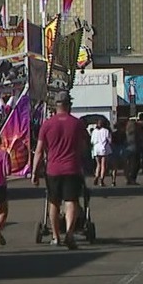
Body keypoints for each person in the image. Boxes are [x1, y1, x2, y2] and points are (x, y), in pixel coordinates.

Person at [31, 91, 86, 250]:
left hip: (53, 169)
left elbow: (39, 150)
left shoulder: (47, 124)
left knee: (53, 202)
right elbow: (82, 148)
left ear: (56, 106)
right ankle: (69, 233)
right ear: (69, 105)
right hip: (72, 167)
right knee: (71, 201)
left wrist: (35, 172)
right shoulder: (77, 124)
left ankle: (55, 236)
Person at [89, 117, 112, 186]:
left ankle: (96, 176)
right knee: (103, 165)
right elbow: (109, 140)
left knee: (98, 164)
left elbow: (92, 141)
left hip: (96, 149)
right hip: (103, 148)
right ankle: (101, 179)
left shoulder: (94, 131)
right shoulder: (106, 131)